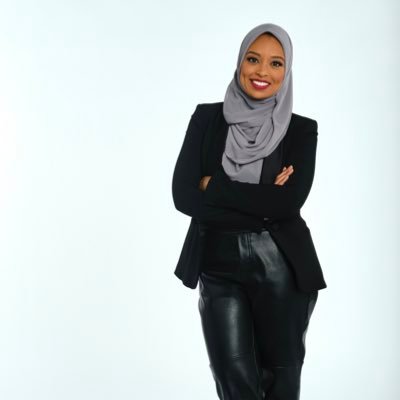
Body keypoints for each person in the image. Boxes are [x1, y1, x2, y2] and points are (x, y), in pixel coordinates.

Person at [172, 23, 327, 400]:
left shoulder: (301, 131)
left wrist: (214, 188)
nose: (262, 72)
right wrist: (263, 199)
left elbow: (288, 204)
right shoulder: (207, 119)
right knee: (233, 383)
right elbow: (183, 197)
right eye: (253, 59)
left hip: (280, 266)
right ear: (240, 62)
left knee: (280, 385)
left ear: (287, 71)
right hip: (217, 266)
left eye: (276, 63)